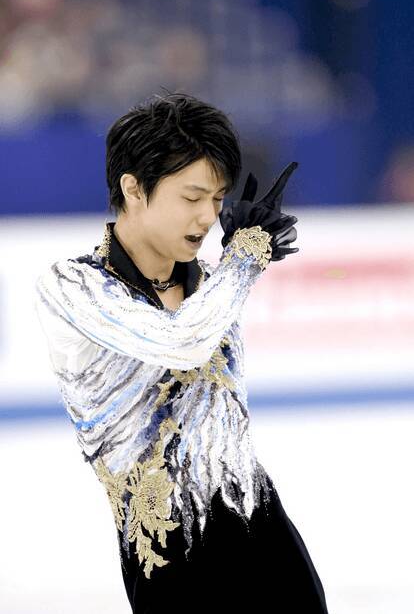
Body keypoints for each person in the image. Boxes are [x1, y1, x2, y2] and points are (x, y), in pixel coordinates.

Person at [34, 91, 329, 613]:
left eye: (218, 199)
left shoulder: (212, 285)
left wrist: (234, 267)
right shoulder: (72, 286)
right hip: (168, 555)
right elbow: (182, 342)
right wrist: (244, 259)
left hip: (266, 538)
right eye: (192, 198)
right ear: (133, 189)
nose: (208, 217)